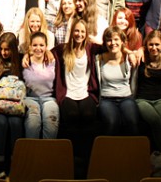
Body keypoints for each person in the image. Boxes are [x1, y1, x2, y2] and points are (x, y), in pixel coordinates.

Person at [52, 19, 101, 161]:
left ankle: (86, 157)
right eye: (76, 30)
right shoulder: (63, 48)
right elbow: (46, 53)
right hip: (68, 94)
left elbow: (110, 46)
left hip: (85, 93)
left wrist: (135, 51)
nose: (79, 34)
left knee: (88, 114)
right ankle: (70, 156)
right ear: (72, 31)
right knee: (72, 115)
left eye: (82, 31)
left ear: (86, 34)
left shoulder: (90, 48)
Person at [0, 32, 23, 175]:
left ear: (13, 49)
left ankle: (16, 165)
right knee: (1, 123)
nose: (3, 52)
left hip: (14, 106)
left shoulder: (20, 62)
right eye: (1, 49)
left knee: (16, 123)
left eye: (7, 49)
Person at [135, 30, 161, 154]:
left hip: (160, 99)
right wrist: (139, 49)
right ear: (146, 45)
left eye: (157, 44)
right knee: (155, 121)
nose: (154, 48)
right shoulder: (141, 58)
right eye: (151, 44)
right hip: (142, 99)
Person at [95, 26, 139, 136]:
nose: (112, 43)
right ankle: (108, 151)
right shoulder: (98, 59)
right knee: (112, 123)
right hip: (106, 99)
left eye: (116, 39)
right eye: (109, 40)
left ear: (122, 41)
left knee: (132, 122)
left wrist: (131, 53)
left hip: (126, 98)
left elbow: (134, 80)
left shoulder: (129, 58)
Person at [23, 31, 59, 139]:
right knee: (33, 124)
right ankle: (32, 152)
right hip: (30, 99)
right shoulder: (25, 62)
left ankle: (47, 152)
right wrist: (25, 55)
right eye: (35, 45)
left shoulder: (52, 60)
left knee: (51, 124)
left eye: (41, 45)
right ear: (30, 46)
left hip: (49, 99)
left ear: (46, 47)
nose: (38, 48)